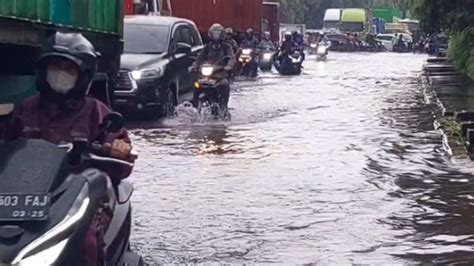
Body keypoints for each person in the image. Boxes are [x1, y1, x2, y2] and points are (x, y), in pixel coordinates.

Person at [5, 32, 134, 265]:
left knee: (87, 241)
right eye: (54, 67)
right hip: (31, 195)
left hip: (81, 196)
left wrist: (118, 148)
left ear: (83, 76)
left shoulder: (97, 112)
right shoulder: (26, 109)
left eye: (68, 69)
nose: (60, 74)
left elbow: (123, 154)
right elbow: (6, 145)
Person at [191, 23, 235, 109]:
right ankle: (194, 106)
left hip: (220, 74)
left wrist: (229, 65)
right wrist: (194, 66)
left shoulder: (226, 47)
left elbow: (231, 58)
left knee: (224, 84)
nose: (216, 35)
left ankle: (224, 106)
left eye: (218, 32)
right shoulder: (207, 47)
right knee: (196, 85)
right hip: (207, 75)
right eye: (214, 32)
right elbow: (199, 58)